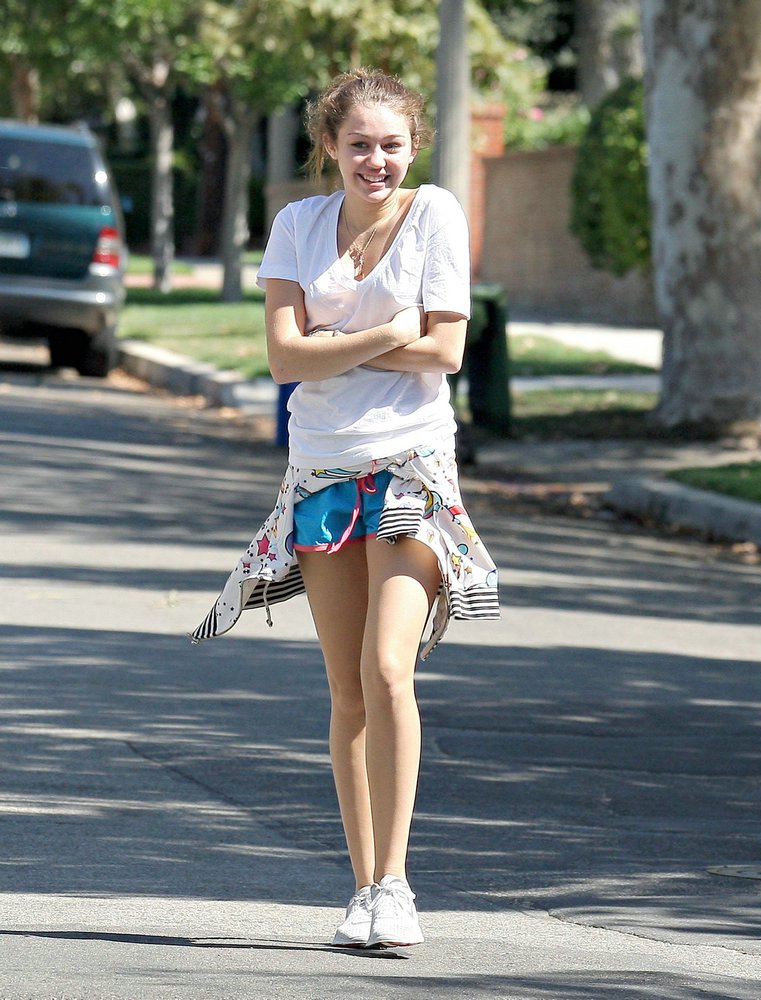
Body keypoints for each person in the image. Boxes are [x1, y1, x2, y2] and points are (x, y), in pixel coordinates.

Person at [191, 68, 499, 949]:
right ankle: (362, 889)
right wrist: (389, 331)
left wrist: (341, 343)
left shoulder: (434, 214)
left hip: (410, 468)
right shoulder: (298, 225)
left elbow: (445, 349)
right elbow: (284, 360)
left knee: (388, 667)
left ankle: (396, 884)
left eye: (391, 145)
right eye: (358, 144)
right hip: (322, 472)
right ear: (328, 145)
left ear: (413, 147)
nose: (376, 160)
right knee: (346, 689)